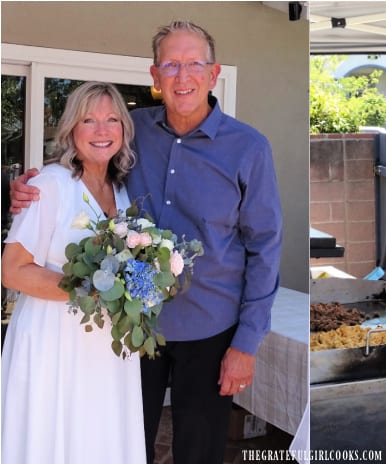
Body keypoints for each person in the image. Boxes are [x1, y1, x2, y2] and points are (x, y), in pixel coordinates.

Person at [10, 20, 283, 463]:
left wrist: (246, 344)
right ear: (154, 77)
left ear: (214, 74)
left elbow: (265, 249)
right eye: (170, 64)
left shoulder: (249, 149)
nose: (182, 75)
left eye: (194, 63)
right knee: (120, 443)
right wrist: (31, 186)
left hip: (210, 331)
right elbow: (85, 160)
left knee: (199, 453)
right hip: (129, 331)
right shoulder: (130, 130)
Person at [1, 81, 145, 463]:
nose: (102, 131)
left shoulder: (123, 192)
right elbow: (12, 271)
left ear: (124, 130)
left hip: (106, 345)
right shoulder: (51, 184)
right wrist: (90, 288)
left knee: (99, 436)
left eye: (112, 119)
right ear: (70, 130)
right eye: (89, 120)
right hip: (54, 340)